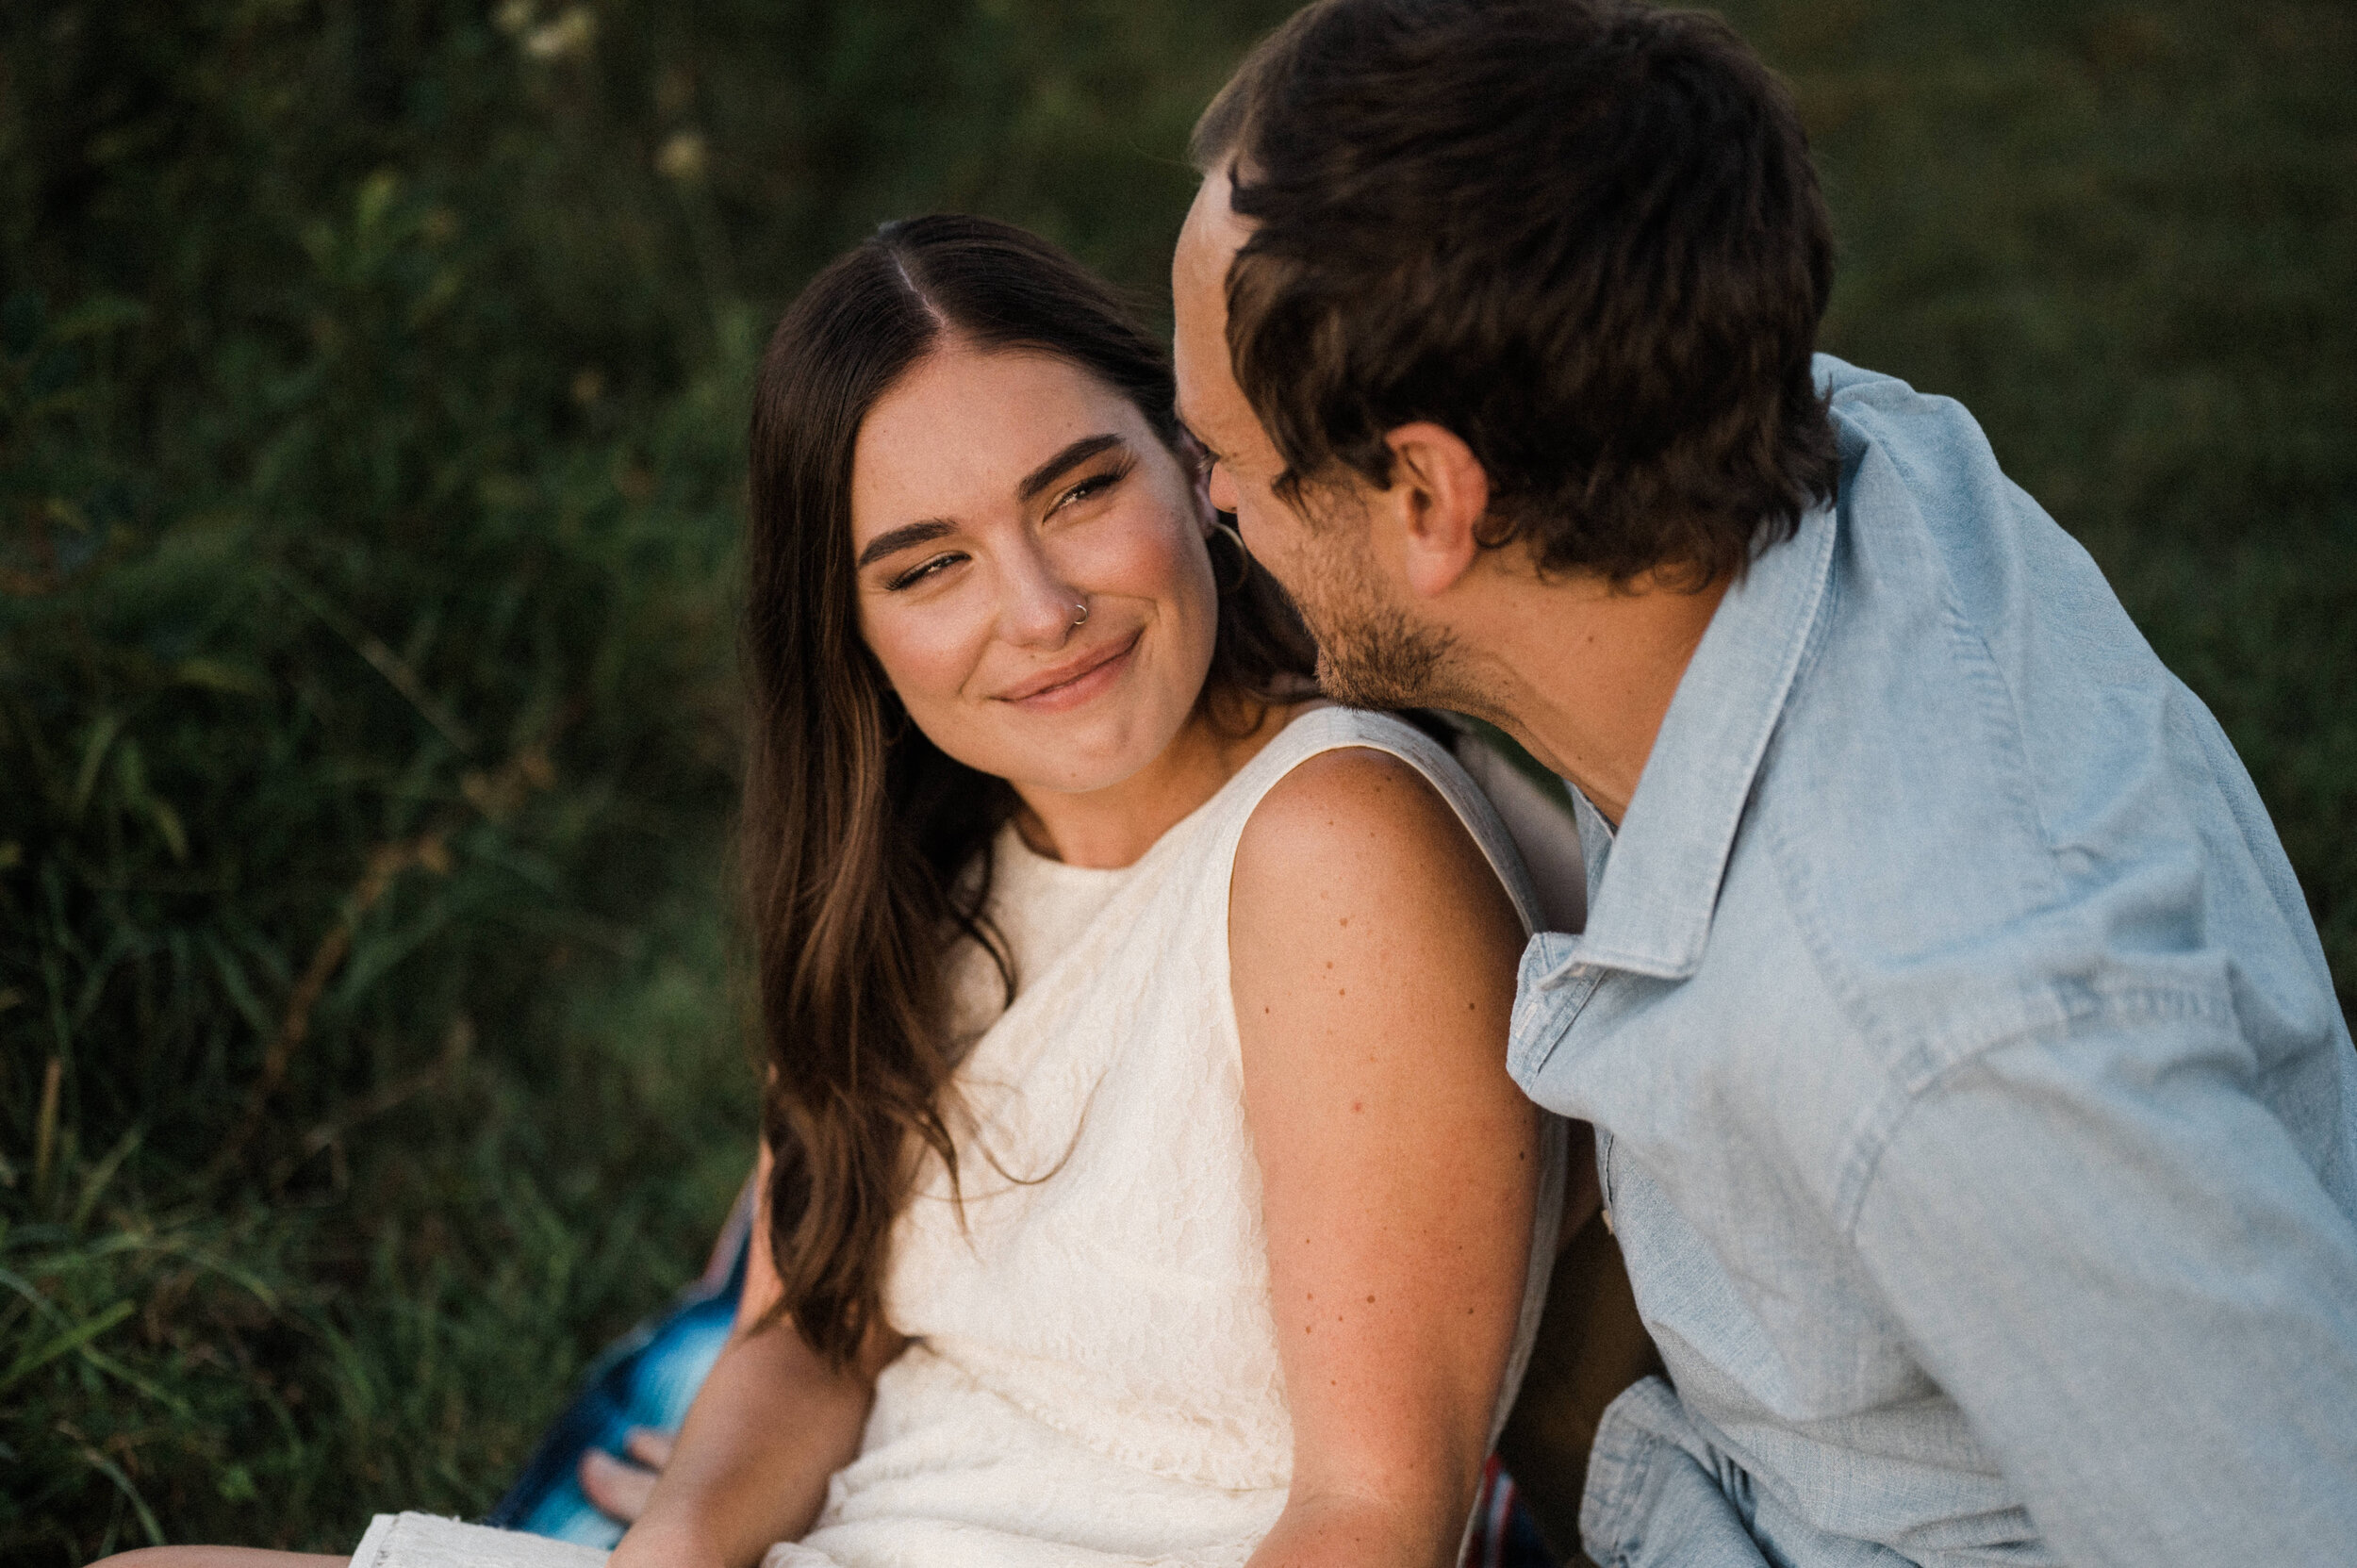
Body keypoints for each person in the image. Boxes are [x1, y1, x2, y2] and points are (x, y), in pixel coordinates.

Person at [107, 214, 1578, 1568]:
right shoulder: (920, 885)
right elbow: (810, 1332)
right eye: (929, 567)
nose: (1039, 609)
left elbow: (1375, 1512)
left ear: (1191, 468)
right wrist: (673, 1552)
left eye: (1078, 489)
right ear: (854, 632)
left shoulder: (1337, 837)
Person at [1168, 2, 2357, 1565]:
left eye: (1231, 460)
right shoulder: (1762, 441)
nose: (1208, 503)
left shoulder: (1960, 1053)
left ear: (1428, 496)